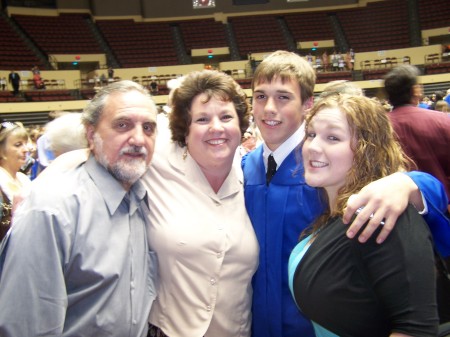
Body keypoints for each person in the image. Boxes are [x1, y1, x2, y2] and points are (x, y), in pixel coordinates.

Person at [241, 50, 450, 337]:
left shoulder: (328, 166)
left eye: (283, 97)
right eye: (260, 96)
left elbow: (426, 197)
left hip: (321, 323)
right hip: (259, 324)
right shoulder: (245, 167)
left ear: (307, 104)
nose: (268, 108)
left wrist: (407, 184)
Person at [0, 80, 159, 336]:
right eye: (122, 125)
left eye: (148, 128)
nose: (139, 139)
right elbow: (25, 326)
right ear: (90, 134)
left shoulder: (143, 197)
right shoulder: (51, 210)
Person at [288, 94, 438, 337]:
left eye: (333, 138)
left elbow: (416, 329)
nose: (313, 147)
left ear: (367, 151)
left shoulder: (384, 218)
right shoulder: (337, 212)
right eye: (312, 134)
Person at [146, 69, 258, 336]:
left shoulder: (252, 174)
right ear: (185, 130)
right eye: (202, 119)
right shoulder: (154, 165)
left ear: (241, 127)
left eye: (226, 117)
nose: (216, 127)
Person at [384, 65, 450, 203]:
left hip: (397, 210)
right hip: (442, 206)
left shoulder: (379, 128)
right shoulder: (444, 121)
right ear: (415, 90)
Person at [0, 121, 31, 240]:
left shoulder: (23, 178)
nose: (26, 149)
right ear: (1, 151)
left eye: (25, 143)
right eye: (18, 145)